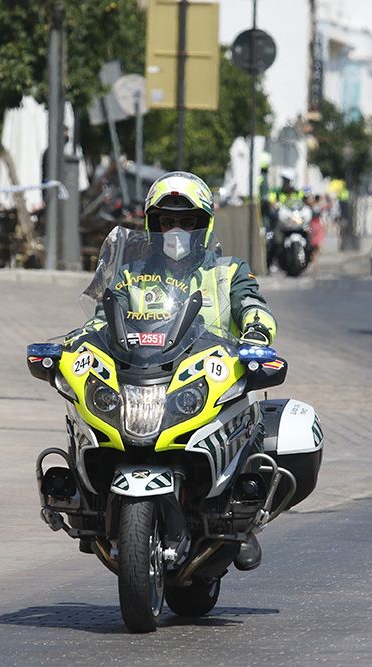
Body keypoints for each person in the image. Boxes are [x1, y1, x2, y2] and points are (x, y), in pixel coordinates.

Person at [84, 171, 276, 569]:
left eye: (187, 222)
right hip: (146, 377)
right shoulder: (131, 273)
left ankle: (242, 519)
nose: (176, 230)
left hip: (212, 378)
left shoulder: (228, 271)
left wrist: (256, 330)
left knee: (249, 416)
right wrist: (82, 339)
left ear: (203, 226)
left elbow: (253, 305)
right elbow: (104, 317)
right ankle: (89, 501)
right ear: (153, 225)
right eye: (167, 222)